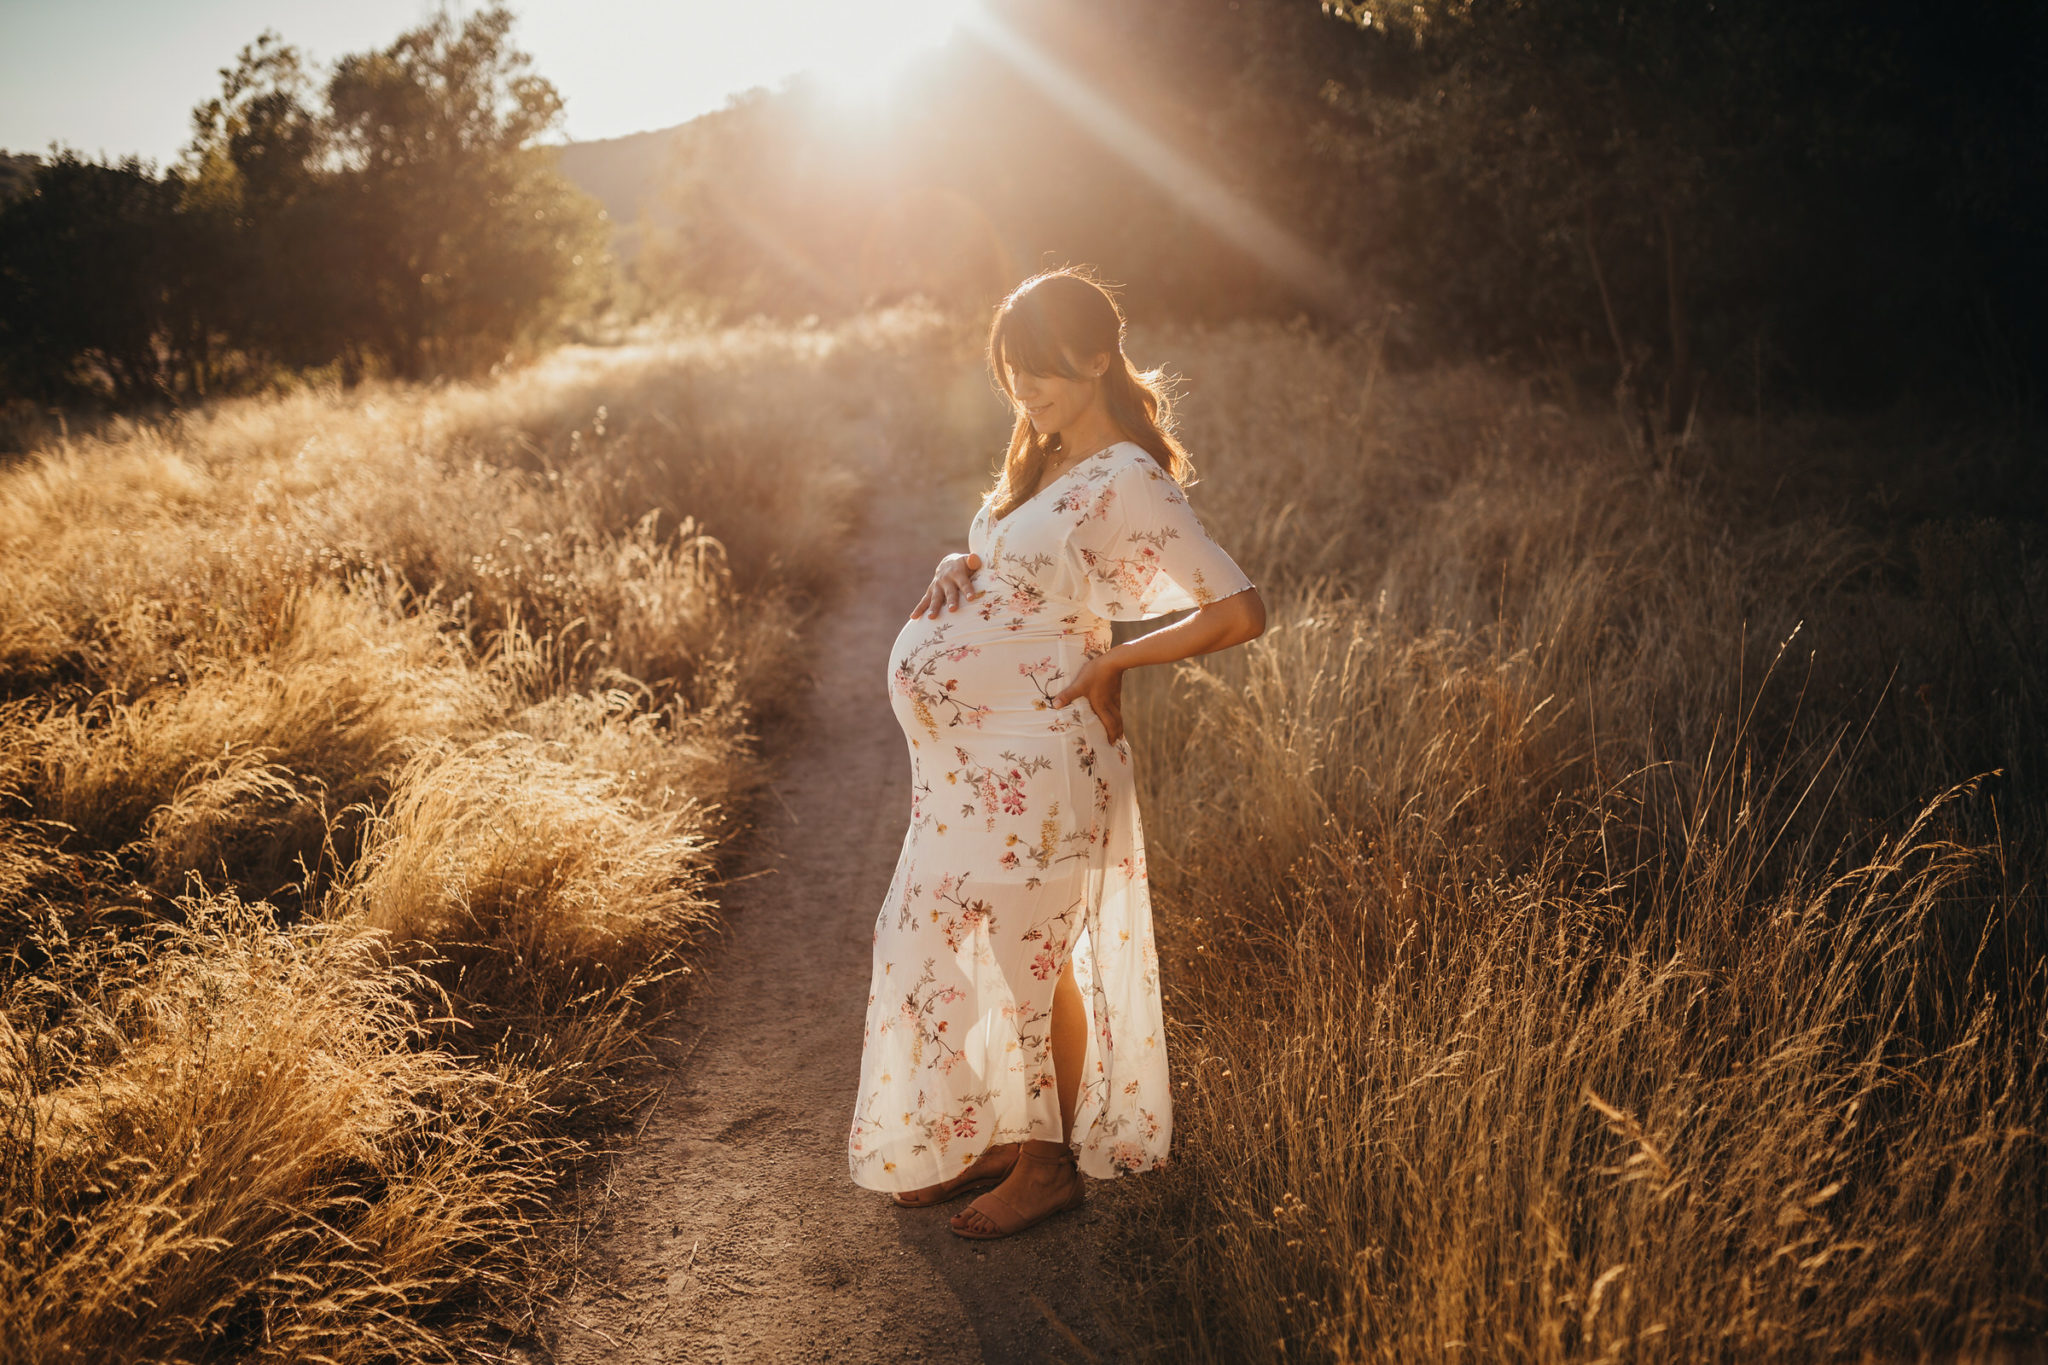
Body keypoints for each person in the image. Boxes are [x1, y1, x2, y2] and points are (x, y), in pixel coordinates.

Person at [846, 267, 1266, 1239]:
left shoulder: (1126, 474)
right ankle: (999, 1130)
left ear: (1092, 355)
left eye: (1036, 369)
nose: (1020, 390)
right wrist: (961, 562)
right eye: (1007, 371)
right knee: (930, 934)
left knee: (1031, 957)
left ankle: (1047, 1166)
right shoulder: (1038, 451)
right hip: (963, 769)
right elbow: (1007, 554)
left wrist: (1119, 658)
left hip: (1043, 757)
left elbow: (1238, 609)